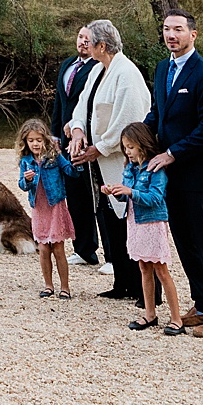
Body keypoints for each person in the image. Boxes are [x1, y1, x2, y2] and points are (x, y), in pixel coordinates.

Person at [144, 8, 203, 338]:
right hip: (170, 176)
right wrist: (138, 141)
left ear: (192, 35)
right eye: (167, 29)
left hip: (198, 176)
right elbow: (158, 114)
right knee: (184, 240)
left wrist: (171, 153)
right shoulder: (161, 69)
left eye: (178, 30)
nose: (172, 35)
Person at [64, 18, 149, 302]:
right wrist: (77, 131)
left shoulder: (126, 73)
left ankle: (144, 289)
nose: (85, 44)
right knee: (109, 219)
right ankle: (121, 282)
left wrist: (99, 148)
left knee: (128, 220)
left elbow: (128, 120)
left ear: (102, 45)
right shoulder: (99, 70)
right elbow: (82, 106)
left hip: (118, 160)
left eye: (90, 40)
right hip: (99, 163)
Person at [108, 120, 180, 333]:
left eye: (131, 147)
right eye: (125, 147)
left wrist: (131, 193)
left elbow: (156, 197)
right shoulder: (130, 168)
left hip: (153, 222)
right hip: (135, 221)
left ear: (142, 144)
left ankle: (176, 318)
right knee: (143, 267)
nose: (127, 152)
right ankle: (150, 313)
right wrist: (117, 192)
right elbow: (127, 195)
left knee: (161, 269)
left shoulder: (155, 169)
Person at [46, 30, 102, 268]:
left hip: (87, 139)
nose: (83, 41)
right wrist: (54, 135)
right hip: (65, 139)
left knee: (96, 196)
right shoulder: (68, 64)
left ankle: (110, 254)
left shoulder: (99, 68)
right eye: (80, 36)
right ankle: (84, 250)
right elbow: (60, 101)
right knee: (75, 195)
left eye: (88, 38)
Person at [14, 118, 81, 299]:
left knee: (58, 248)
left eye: (38, 140)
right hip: (39, 208)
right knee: (43, 248)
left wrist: (77, 161)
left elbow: (70, 171)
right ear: (25, 142)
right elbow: (22, 185)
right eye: (31, 140)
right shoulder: (26, 162)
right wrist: (27, 180)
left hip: (55, 206)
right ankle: (48, 285)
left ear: (45, 139)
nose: (35, 143)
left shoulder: (55, 157)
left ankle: (65, 287)